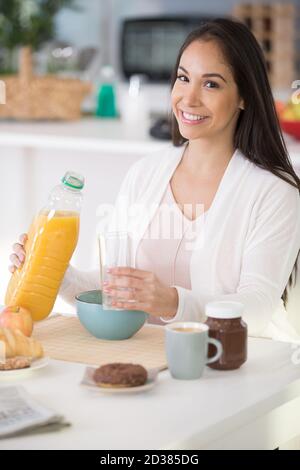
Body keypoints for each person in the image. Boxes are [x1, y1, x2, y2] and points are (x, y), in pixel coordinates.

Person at [9, 18, 300, 340]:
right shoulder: (145, 173)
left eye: (211, 84)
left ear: (244, 97)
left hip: (223, 370)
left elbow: (257, 309)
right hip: (141, 364)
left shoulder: (274, 192)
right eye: (183, 78)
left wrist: (172, 302)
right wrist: (55, 274)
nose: (189, 98)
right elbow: (113, 287)